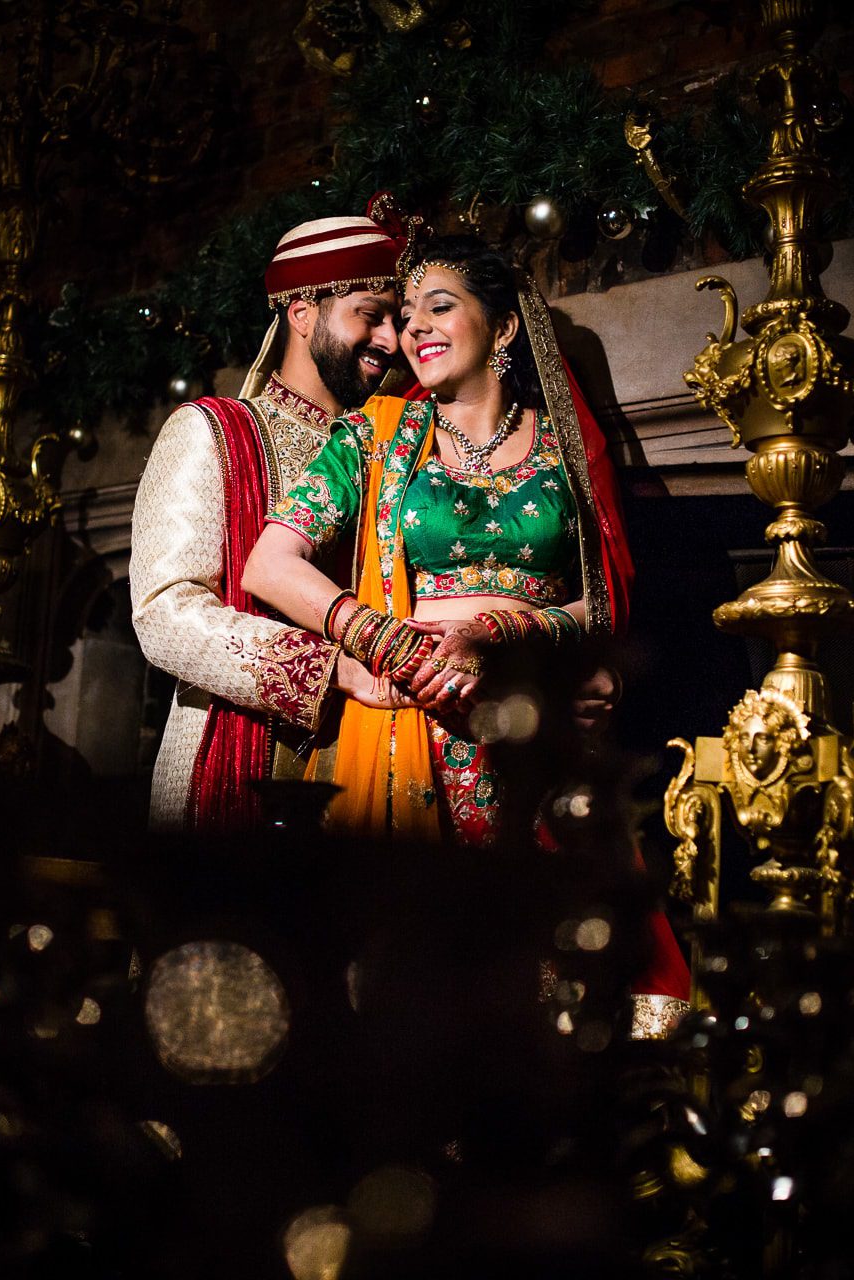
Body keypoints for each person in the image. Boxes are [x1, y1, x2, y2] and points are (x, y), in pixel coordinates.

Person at [243, 234, 689, 1031]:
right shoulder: (372, 438)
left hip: (534, 742)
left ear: (505, 328)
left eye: (439, 307)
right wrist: (389, 642)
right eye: (406, 314)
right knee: (416, 985)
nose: (414, 328)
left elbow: (602, 601)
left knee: (550, 981)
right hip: (411, 724)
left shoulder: (563, 453)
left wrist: (510, 628)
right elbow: (270, 566)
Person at [129, 195, 410, 830]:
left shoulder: (394, 450)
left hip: (376, 769)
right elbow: (164, 610)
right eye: (371, 315)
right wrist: (328, 668)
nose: (391, 340)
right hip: (231, 766)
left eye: (398, 319)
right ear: (302, 311)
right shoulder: (212, 432)